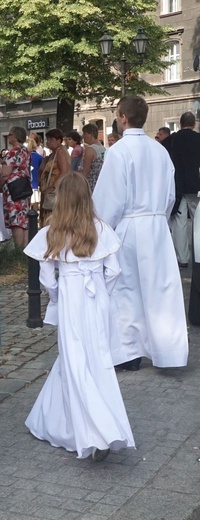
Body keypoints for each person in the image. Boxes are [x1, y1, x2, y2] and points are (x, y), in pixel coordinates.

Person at [24, 172, 135, 462]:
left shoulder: (53, 231)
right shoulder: (99, 228)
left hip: (72, 296)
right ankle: (71, 420)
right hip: (95, 297)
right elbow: (114, 271)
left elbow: (47, 279)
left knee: (74, 359)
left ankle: (99, 431)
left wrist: (58, 297)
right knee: (97, 358)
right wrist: (101, 293)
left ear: (60, 199)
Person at [92, 96, 188, 371]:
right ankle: (168, 351)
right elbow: (170, 195)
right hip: (157, 227)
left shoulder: (120, 151)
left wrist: (100, 231)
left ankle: (129, 352)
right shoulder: (160, 150)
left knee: (127, 290)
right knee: (160, 289)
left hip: (130, 227)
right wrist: (159, 217)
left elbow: (110, 199)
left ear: (122, 117)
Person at [168, 112, 200, 267]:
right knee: (198, 221)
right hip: (196, 186)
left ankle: (183, 259)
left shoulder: (172, 140)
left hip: (177, 186)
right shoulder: (198, 139)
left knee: (179, 223)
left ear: (180, 123)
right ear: (194, 124)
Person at [0, 126, 31, 248]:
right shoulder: (25, 151)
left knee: (16, 220)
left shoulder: (13, 152)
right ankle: (25, 249)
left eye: (10, 134)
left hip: (13, 189)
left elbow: (5, 173)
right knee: (23, 219)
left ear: (15, 137)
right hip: (24, 187)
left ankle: (18, 250)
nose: (9, 136)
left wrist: (0, 186)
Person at [37, 129, 70, 227]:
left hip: (55, 192)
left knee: (54, 221)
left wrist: (53, 188)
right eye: (47, 139)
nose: (48, 142)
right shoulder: (52, 154)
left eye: (51, 139)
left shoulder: (61, 152)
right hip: (48, 192)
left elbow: (65, 171)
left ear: (59, 140)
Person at [78, 123, 106, 193]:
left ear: (91, 134)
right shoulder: (103, 148)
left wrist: (80, 187)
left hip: (91, 185)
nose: (83, 136)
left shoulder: (90, 149)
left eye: (85, 134)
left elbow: (86, 171)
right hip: (101, 184)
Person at [27, 138, 43, 210]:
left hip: (26, 183)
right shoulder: (39, 157)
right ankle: (35, 218)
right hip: (36, 182)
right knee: (36, 201)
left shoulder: (25, 157)